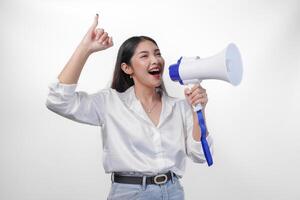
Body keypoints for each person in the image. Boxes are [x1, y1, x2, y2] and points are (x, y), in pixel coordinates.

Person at [46, 14, 213, 200]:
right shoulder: (110, 103)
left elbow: (201, 156)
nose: (156, 60)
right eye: (145, 56)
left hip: (173, 192)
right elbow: (58, 101)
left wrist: (198, 110)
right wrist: (85, 49)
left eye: (157, 53)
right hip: (129, 194)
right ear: (127, 68)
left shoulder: (180, 107)